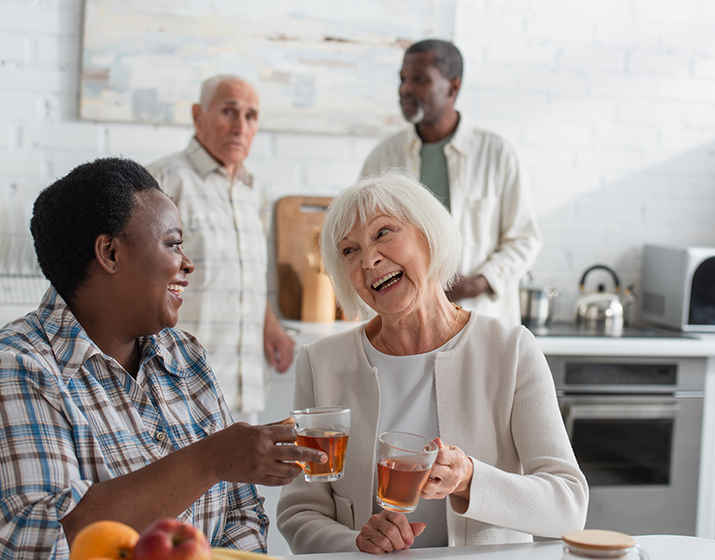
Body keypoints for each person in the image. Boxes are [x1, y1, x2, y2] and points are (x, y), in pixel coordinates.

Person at [0, 158, 326, 558]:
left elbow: (243, 516)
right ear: (110, 253)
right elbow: (41, 543)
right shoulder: (19, 367)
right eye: (173, 244)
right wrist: (209, 460)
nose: (187, 263)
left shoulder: (185, 355)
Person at [276, 171, 587, 554]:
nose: (369, 259)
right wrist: (355, 543)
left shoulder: (510, 350)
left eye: (383, 233)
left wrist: (469, 479)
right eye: (349, 251)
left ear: (429, 233)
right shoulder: (321, 362)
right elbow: (299, 512)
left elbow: (568, 507)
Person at [360, 39, 542, 327]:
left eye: (419, 79)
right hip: (404, 323)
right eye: (403, 79)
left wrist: (479, 283)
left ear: (453, 87)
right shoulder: (383, 157)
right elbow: (364, 237)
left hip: (480, 319)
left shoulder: (496, 154)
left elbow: (523, 238)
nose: (405, 89)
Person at [147, 75, 294, 421]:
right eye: (229, 112)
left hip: (246, 387)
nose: (241, 126)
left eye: (251, 116)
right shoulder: (162, 183)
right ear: (198, 115)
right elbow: (139, 282)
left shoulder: (254, 191)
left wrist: (269, 325)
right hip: (181, 386)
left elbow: (249, 276)